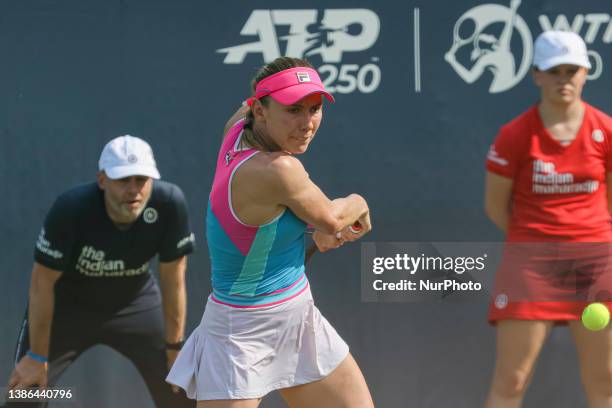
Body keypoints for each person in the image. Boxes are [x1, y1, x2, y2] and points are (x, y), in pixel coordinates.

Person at [166, 57, 374, 407]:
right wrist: (358, 201)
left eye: (314, 108)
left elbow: (298, 222)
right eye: (293, 110)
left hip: (298, 317)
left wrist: (316, 231)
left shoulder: (238, 127)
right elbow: (334, 221)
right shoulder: (278, 170)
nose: (307, 123)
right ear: (260, 111)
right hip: (240, 334)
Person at [6, 135, 196, 408]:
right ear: (102, 180)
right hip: (67, 308)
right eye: (123, 180)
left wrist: (175, 347)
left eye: (141, 180)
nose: (134, 190)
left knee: (182, 388)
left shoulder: (169, 204)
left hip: (136, 304)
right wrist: (37, 357)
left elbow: (173, 279)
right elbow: (41, 284)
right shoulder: (71, 208)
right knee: (25, 395)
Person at [484, 31, 612, 407]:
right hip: (531, 265)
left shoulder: (606, 130)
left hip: (594, 263)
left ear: (586, 72)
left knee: (605, 379)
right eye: (554, 71)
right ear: (537, 74)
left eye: (572, 70)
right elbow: (495, 207)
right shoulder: (514, 135)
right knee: (513, 378)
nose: (564, 79)